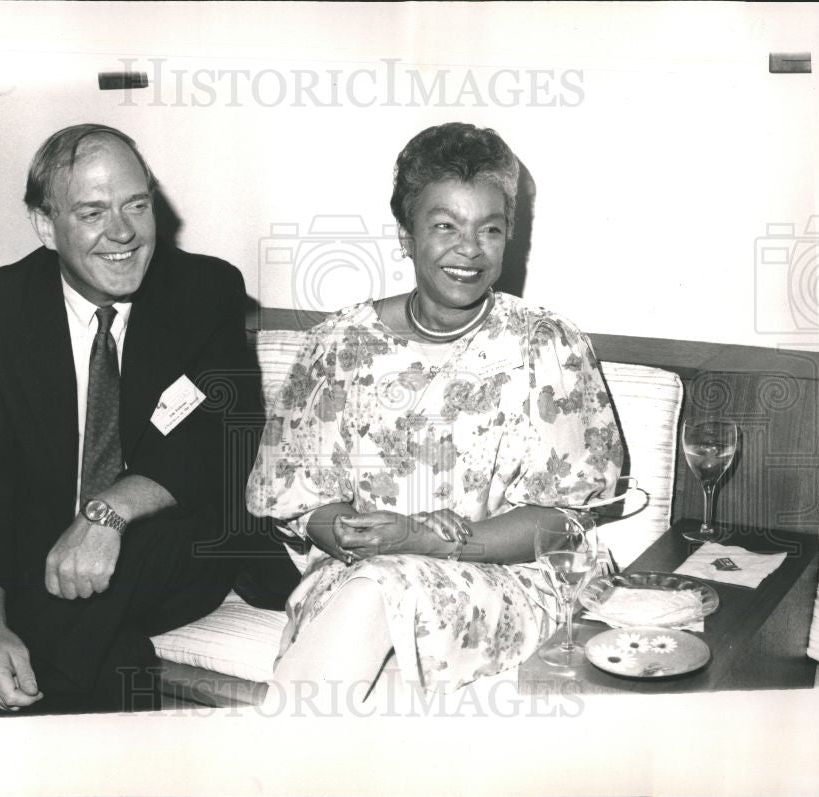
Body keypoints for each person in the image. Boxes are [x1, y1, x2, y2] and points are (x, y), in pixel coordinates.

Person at [0, 123, 296, 716]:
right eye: (93, 212)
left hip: (174, 542)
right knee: (105, 659)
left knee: (139, 553)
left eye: (136, 205)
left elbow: (222, 442)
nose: (123, 233)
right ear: (47, 226)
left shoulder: (204, 291)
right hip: (34, 561)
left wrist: (109, 513)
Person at [246, 122, 625, 706]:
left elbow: (563, 519)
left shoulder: (546, 345)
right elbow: (300, 500)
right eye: (445, 225)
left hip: (505, 583)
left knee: (378, 593)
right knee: (373, 614)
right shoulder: (339, 343)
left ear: (508, 238)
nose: (469, 249)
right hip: (356, 578)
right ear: (406, 235)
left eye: (489, 229)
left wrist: (423, 539)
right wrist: (348, 531)